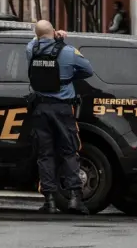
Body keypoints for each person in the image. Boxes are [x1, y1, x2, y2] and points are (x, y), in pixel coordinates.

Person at [26, 20, 93, 215]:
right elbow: (88, 70)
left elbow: (34, 40)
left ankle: (49, 201)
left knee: (45, 154)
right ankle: (74, 198)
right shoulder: (69, 52)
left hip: (40, 109)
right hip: (63, 109)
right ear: (54, 31)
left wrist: (44, 36)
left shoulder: (31, 50)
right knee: (69, 152)